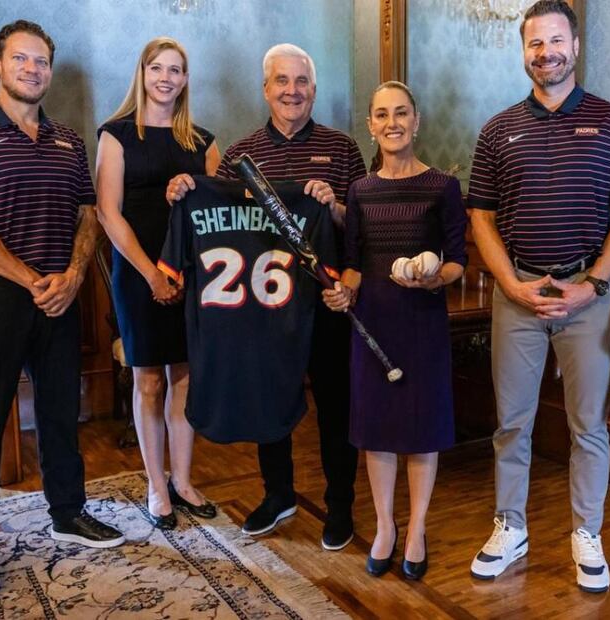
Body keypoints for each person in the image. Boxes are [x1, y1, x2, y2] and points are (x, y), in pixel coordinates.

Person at [0, 20, 124, 597]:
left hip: (60, 298)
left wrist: (69, 277)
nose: (32, 69)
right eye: (21, 59)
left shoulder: (67, 139)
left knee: (62, 411)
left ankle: (68, 513)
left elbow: (88, 214)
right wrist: (30, 279)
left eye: (41, 61)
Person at [467, 0, 610, 592]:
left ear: (575, 46)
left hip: (587, 296)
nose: (545, 53)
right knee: (512, 424)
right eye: (534, 44)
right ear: (524, 52)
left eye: (555, 41)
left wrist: (593, 283)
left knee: (588, 426)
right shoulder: (497, 129)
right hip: (518, 293)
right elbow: (482, 220)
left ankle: (586, 533)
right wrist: (511, 284)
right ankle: (510, 525)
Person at [166, 43, 366, 550]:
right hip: (266, 305)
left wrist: (334, 206)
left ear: (314, 90)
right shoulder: (241, 156)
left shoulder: (342, 148)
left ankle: (340, 504)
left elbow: (360, 227)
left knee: (335, 404)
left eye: (301, 82)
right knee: (268, 394)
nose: (292, 91)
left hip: (325, 301)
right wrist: (188, 188)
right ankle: (278, 493)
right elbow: (222, 222)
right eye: (282, 81)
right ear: (266, 89)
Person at [322, 81, 467, 581]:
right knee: (377, 433)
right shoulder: (360, 190)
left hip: (422, 321)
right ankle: (385, 526)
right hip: (373, 325)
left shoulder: (443, 187)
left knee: (422, 431)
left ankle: (419, 527)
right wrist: (345, 291)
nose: (392, 123)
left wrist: (434, 278)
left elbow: (458, 263)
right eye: (381, 114)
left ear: (417, 120)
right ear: (370, 124)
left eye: (401, 113)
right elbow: (354, 263)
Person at [96, 37, 218, 529]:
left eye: (176, 70)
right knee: (148, 380)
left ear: (186, 80)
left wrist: (187, 276)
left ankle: (183, 482)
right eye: (157, 68)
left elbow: (216, 212)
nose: (166, 77)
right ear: (142, 73)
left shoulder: (203, 141)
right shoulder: (116, 133)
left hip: (191, 276)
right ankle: (155, 485)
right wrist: (151, 273)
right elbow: (108, 212)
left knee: (184, 376)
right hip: (139, 272)